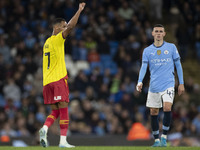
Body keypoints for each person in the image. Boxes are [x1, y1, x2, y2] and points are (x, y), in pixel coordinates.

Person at [39, 2, 86, 148]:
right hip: (58, 79)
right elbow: (72, 26)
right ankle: (63, 141)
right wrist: (79, 10)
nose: (66, 27)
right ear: (56, 27)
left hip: (47, 82)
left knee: (55, 111)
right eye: (63, 25)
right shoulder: (57, 39)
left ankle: (45, 128)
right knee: (64, 109)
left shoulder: (46, 42)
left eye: (65, 25)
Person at [136, 24, 185, 147]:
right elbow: (143, 67)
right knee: (153, 111)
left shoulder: (171, 47)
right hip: (154, 85)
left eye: (160, 31)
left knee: (167, 107)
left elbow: (178, 65)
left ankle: (164, 137)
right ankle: (156, 140)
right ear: (152, 34)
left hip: (168, 83)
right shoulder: (147, 50)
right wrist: (140, 81)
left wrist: (181, 83)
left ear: (164, 34)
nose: (158, 33)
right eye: (156, 31)